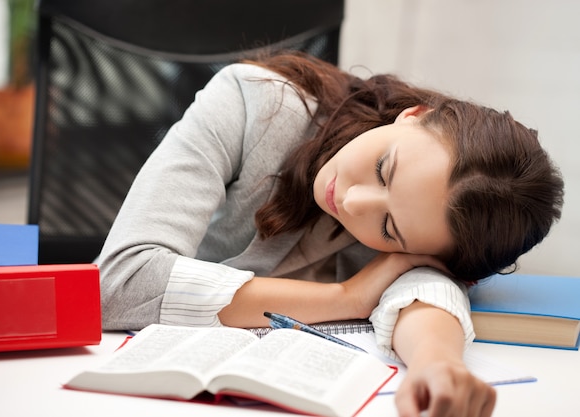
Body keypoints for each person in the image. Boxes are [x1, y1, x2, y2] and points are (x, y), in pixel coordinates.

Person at [98, 51, 564, 417]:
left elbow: (425, 290)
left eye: (388, 228)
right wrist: (347, 297)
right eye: (385, 169)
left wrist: (436, 364)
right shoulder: (251, 101)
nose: (354, 202)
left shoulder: (427, 231)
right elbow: (115, 284)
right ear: (414, 115)